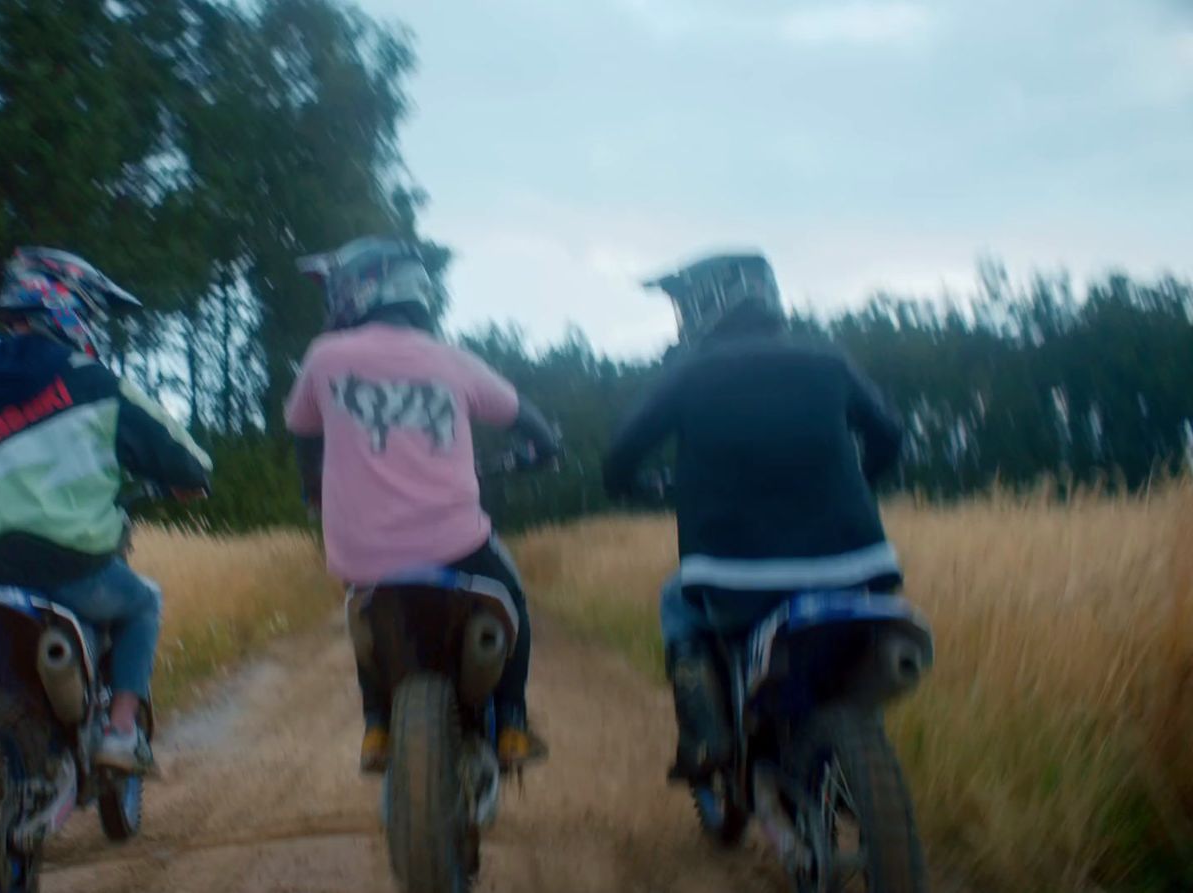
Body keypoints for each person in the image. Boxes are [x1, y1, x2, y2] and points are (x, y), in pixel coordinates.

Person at [0, 247, 213, 773]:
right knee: (142, 603)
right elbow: (191, 464)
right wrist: (186, 484)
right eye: (95, 314)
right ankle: (123, 732)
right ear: (73, 308)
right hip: (70, 567)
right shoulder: (97, 383)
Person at [602, 252, 904, 782]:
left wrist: (635, 489)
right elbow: (890, 437)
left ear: (704, 306)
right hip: (861, 568)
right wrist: (857, 482)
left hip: (735, 578)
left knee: (677, 603)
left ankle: (707, 738)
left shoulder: (690, 372)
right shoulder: (829, 360)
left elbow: (621, 455)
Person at [283, 236, 561, 772]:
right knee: (512, 598)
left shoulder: (324, 357)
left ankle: (377, 728)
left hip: (360, 551)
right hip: (454, 544)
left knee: (371, 611)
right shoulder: (450, 360)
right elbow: (523, 415)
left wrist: (314, 491)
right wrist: (547, 445)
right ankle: (513, 727)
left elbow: (302, 431)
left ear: (356, 292)